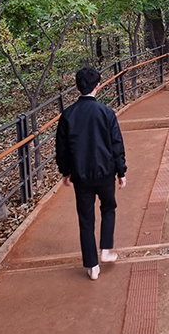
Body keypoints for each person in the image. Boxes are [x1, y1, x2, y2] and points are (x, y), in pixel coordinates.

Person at [55, 67, 127, 281]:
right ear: (98, 85)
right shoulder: (106, 113)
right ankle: (105, 249)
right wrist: (121, 171)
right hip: (105, 172)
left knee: (86, 218)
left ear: (77, 87)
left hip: (81, 175)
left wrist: (65, 171)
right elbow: (116, 144)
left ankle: (92, 266)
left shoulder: (68, 115)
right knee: (108, 207)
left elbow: (62, 148)